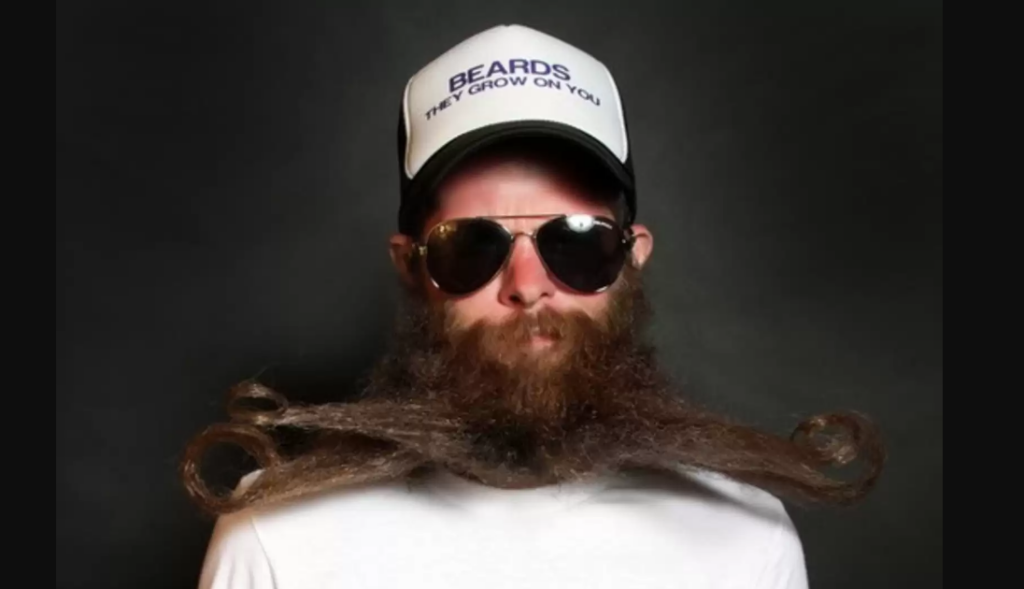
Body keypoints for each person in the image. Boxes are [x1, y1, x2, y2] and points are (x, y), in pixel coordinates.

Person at [182, 24, 886, 588]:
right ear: (411, 266)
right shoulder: (277, 537)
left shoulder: (745, 536)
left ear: (631, 258)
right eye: (472, 246)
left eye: (578, 243)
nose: (528, 282)